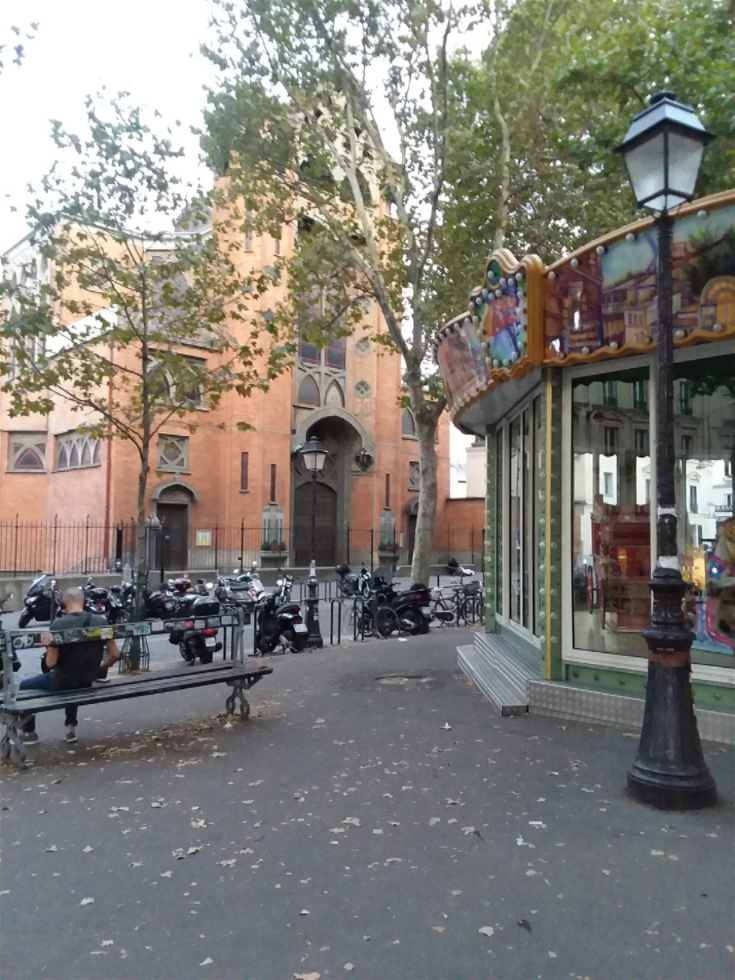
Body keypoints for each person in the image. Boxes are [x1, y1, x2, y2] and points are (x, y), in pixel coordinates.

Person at [19, 586, 120, 745]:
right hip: (86, 679)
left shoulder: (59, 624)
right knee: (73, 682)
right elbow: (115, 654)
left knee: (25, 686)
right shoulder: (101, 622)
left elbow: (50, 663)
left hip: (62, 680)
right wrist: (102, 667)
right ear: (84, 602)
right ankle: (70, 727)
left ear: (63, 605)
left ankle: (29, 732)